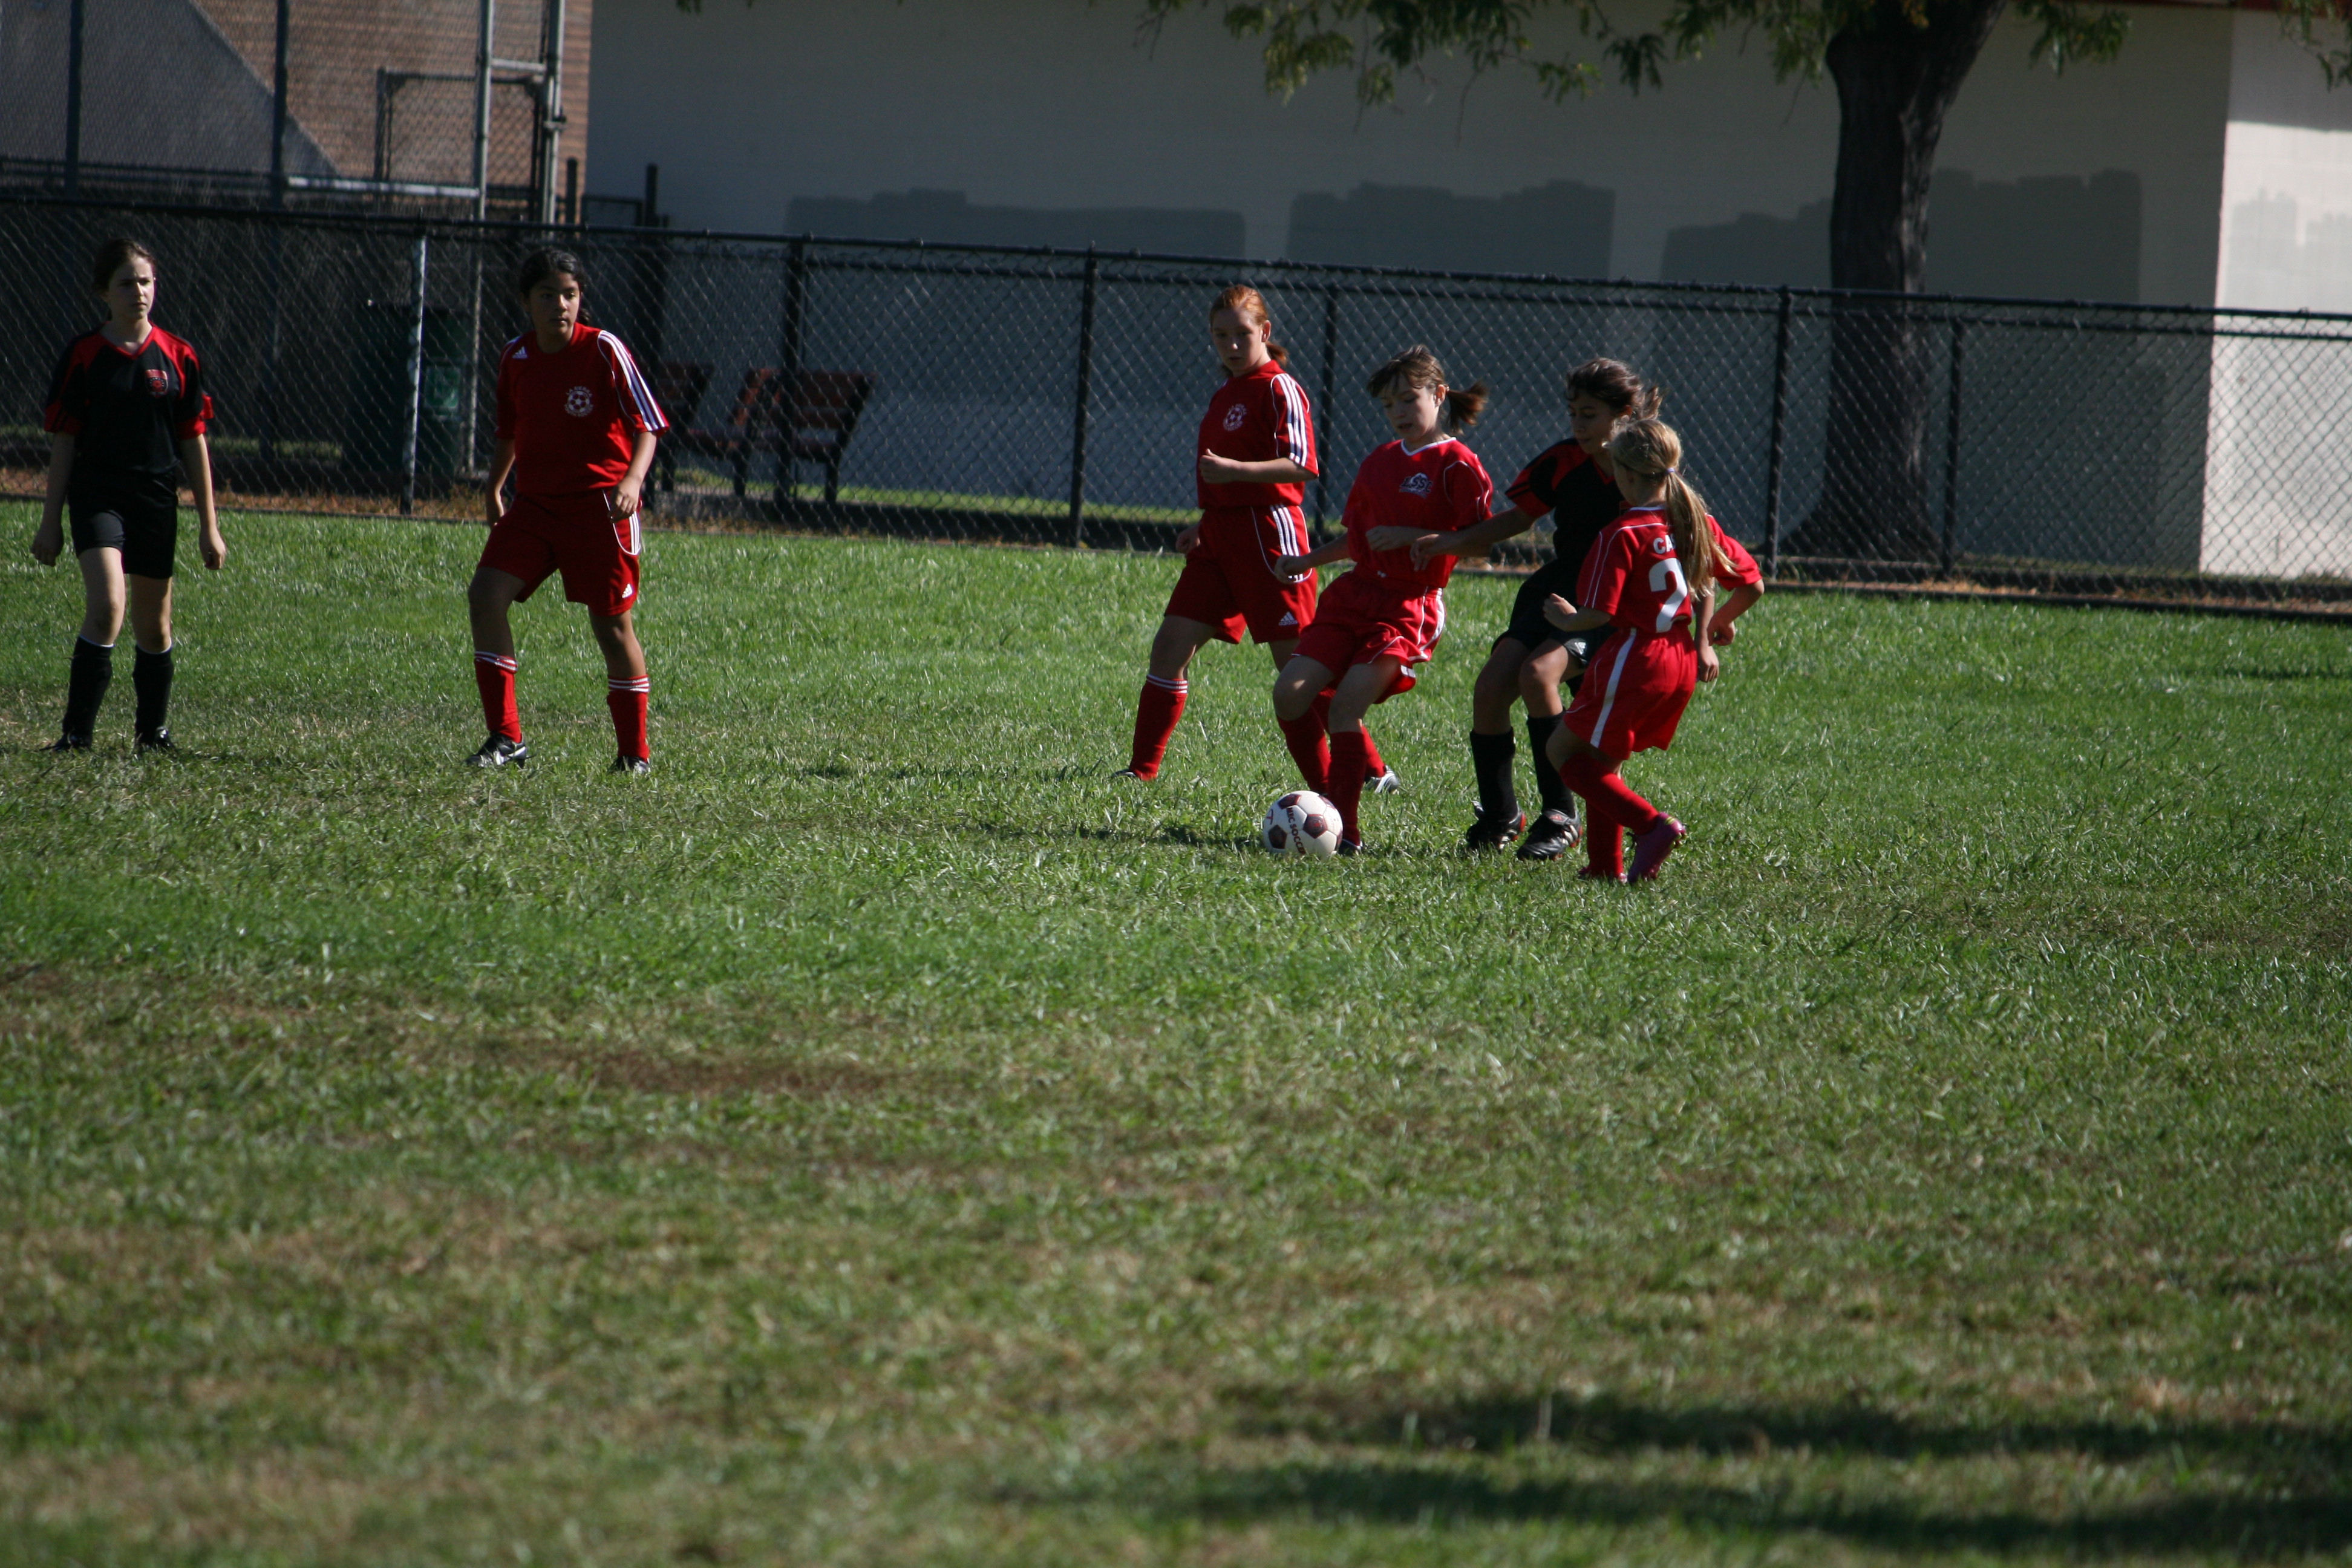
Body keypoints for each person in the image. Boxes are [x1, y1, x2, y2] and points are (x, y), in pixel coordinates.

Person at [1119, 285, 1397, 794]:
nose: (1230, 345)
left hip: (1271, 538)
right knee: (1170, 646)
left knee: (1300, 670)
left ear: (1265, 332)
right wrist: (1207, 523)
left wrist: (1235, 471)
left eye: (1241, 334)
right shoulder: (1226, 392)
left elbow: (1303, 465)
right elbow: (1227, 480)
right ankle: (1141, 771)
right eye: (1219, 335)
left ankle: (1371, 772)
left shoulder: (1279, 387)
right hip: (1219, 540)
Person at [1385, 359, 1661, 859]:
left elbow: (1686, 536)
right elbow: (1517, 517)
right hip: (1555, 590)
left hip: (1607, 603)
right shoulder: (1563, 461)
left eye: (1590, 415)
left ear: (1624, 415)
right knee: (1492, 687)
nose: (1578, 425)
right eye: (1573, 413)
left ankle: (1560, 815)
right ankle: (1500, 816)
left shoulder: (1646, 471)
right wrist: (1452, 541)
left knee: (1538, 675)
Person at [1270, 346, 1492, 853]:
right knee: (1289, 694)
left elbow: (1481, 543)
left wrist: (1417, 537)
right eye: (1389, 404)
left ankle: (1344, 832)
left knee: (1346, 709)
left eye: (1408, 399)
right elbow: (1359, 539)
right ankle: (1329, 798)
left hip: (1408, 606)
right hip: (1353, 596)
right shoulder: (1380, 461)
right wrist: (1307, 559)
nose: (1398, 412)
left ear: (1439, 395)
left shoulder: (1458, 464)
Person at [467, 247, 667, 771]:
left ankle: (634, 755)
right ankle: (506, 738)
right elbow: (509, 431)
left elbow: (648, 424)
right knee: (486, 596)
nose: (560, 304)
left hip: (599, 510)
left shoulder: (603, 350)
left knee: (612, 628)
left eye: (570, 294)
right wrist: (494, 488)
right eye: (548, 294)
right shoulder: (515, 357)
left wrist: (632, 481)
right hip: (535, 506)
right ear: (525, 302)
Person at [31, 237, 223, 753]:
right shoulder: (84, 354)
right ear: (103, 292)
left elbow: (193, 441)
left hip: (155, 500)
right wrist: (50, 522)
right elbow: (65, 440)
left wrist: (210, 527)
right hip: (98, 498)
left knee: (155, 627)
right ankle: (76, 735)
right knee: (107, 606)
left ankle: (152, 735)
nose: (139, 291)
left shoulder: (178, 355)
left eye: (146, 281)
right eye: (127, 283)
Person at [1539, 417, 1749, 883]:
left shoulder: (1622, 531)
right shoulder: (1692, 521)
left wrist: (1567, 619)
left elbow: (1599, 612)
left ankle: (1653, 826)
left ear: (1626, 474)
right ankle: (1604, 866)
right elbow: (1744, 582)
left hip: (1637, 656)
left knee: (1561, 751)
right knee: (1602, 761)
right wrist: (1715, 628)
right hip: (1679, 657)